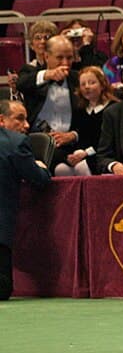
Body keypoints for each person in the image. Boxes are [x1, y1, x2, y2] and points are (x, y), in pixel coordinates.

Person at [0, 97, 51, 300]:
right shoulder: (16, 143)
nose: (27, 126)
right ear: (1, 120)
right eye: (19, 119)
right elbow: (40, 180)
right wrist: (41, 167)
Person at [58, 65, 117, 176]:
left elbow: (108, 141)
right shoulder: (80, 109)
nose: (87, 87)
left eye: (92, 83)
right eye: (83, 84)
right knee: (61, 169)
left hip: (101, 153)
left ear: (102, 84)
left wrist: (85, 153)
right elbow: (78, 133)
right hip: (80, 152)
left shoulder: (112, 109)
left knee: (82, 167)